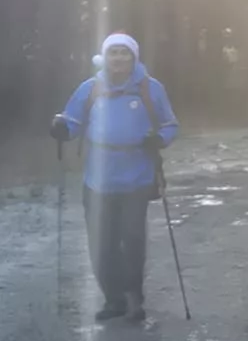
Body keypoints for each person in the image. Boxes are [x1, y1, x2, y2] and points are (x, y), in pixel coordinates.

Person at [50, 33, 177, 323]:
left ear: (134, 57)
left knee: (132, 240)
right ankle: (113, 300)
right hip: (98, 180)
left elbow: (170, 124)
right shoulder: (90, 88)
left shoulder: (150, 89)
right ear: (104, 57)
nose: (118, 58)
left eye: (124, 53)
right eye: (113, 53)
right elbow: (72, 121)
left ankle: (134, 300)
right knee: (101, 243)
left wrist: (159, 138)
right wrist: (60, 129)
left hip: (137, 177)